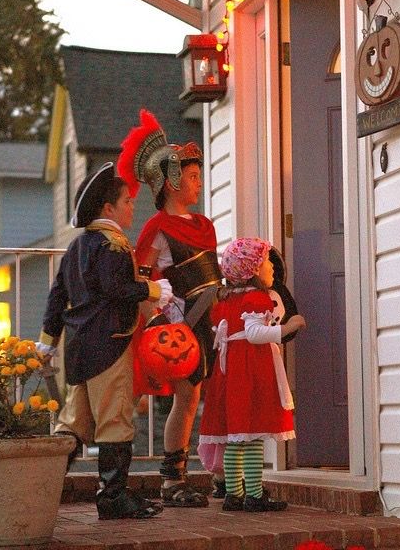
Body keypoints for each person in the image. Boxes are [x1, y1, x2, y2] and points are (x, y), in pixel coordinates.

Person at [36, 162, 173, 520]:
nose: (132, 207)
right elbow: (117, 290)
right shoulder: (112, 246)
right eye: (127, 201)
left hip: (79, 348)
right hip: (109, 344)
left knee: (73, 423)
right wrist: (155, 289)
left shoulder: (76, 248)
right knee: (115, 420)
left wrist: (47, 340)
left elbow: (56, 296)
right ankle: (112, 498)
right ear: (107, 208)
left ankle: (40, 489)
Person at [117, 109, 223, 507]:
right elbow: (141, 283)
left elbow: (210, 277)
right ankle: (171, 479)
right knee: (186, 397)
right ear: (172, 181)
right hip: (176, 327)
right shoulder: (156, 228)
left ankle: (207, 472)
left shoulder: (205, 225)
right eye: (192, 177)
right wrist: (160, 323)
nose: (198, 183)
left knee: (200, 396)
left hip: (209, 322)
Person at [199, 237, 306, 512]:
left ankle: (234, 494)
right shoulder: (256, 298)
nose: (272, 267)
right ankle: (255, 494)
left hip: (232, 371)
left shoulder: (228, 299)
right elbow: (254, 334)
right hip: (250, 372)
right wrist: (288, 326)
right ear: (253, 269)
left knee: (237, 436)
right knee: (253, 435)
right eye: (267, 262)